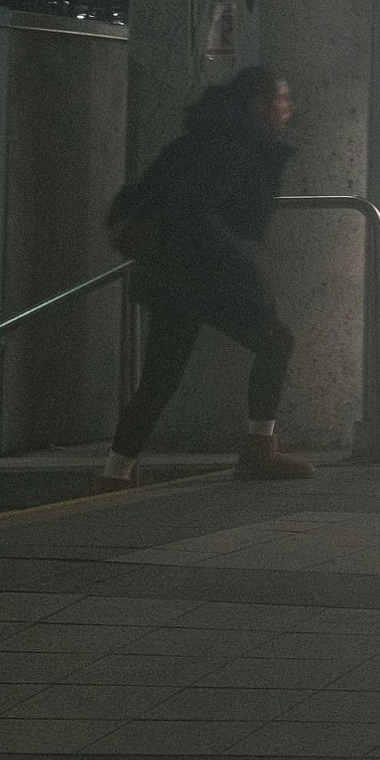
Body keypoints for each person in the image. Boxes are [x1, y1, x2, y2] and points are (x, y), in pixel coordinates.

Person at [104, 65, 313, 484]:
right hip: (208, 273)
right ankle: (258, 450)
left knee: (160, 378)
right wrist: (243, 262)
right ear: (258, 105)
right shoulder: (235, 150)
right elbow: (203, 213)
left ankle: (115, 473)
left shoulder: (199, 140)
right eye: (281, 98)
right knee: (276, 343)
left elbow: (148, 199)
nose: (288, 108)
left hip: (172, 275)